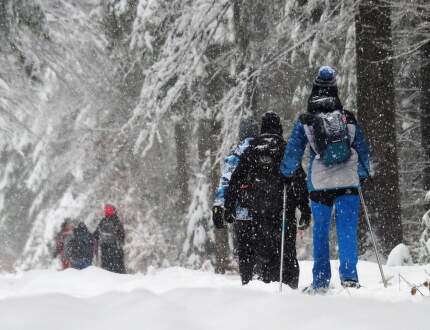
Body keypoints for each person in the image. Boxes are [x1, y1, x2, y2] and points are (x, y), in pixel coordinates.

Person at [280, 66, 372, 293]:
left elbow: (293, 152)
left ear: (314, 90)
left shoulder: (306, 121)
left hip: (320, 184)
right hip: (348, 182)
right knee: (347, 230)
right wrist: (362, 175)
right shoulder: (347, 118)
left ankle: (320, 281)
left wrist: (285, 173)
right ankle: (349, 277)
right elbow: (362, 149)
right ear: (335, 90)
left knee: (321, 232)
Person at [225, 112, 311, 289]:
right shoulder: (285, 149)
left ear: (262, 129)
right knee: (285, 251)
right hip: (283, 210)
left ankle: (261, 285)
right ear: (279, 128)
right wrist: (304, 208)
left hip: (257, 211)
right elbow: (299, 181)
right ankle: (287, 284)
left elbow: (236, 179)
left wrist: (229, 206)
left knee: (260, 251)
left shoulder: (252, 150)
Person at [212, 118, 259, 285]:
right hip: (265, 213)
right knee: (265, 252)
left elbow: (225, 183)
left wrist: (219, 206)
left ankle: (247, 283)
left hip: (241, 213)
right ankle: (266, 285)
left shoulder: (235, 155)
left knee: (245, 252)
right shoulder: (267, 151)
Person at [93, 204, 126, 273]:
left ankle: (107, 280)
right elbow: (122, 235)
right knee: (117, 268)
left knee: (106, 269)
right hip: (115, 248)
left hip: (104, 248)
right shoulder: (116, 221)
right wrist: (121, 243)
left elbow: (95, 234)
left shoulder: (103, 221)